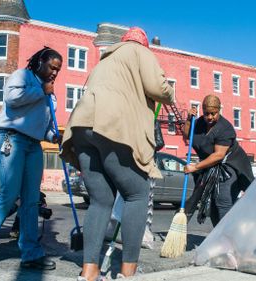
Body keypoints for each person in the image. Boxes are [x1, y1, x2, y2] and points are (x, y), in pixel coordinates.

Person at [60, 27, 174, 281]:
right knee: (137, 193)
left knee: (101, 200)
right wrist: (170, 92)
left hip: (82, 126)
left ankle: (89, 273)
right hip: (111, 125)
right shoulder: (139, 52)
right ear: (143, 43)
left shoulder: (105, 60)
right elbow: (158, 87)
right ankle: (128, 273)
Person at [0, 47, 62, 270]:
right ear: (40, 62)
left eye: (58, 70)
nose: (55, 73)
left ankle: (31, 254)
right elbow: (12, 99)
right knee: (8, 195)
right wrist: (42, 90)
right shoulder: (23, 76)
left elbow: (43, 127)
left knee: (31, 200)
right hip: (11, 139)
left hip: (34, 145)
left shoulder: (48, 93)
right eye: (52, 67)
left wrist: (55, 136)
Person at [183, 95, 254, 227]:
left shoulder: (225, 128)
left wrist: (195, 167)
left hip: (230, 165)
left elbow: (218, 155)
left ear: (219, 110)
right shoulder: (199, 123)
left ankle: (229, 238)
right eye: (206, 114)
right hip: (210, 166)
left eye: (213, 113)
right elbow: (187, 135)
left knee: (222, 198)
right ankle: (220, 237)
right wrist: (188, 120)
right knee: (214, 207)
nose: (209, 117)